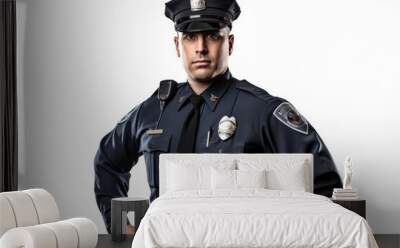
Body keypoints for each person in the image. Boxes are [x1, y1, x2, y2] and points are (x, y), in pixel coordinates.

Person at [94, 0, 342, 234]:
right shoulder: (154, 111)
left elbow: (324, 183)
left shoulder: (260, 110)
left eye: (212, 35)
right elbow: (108, 161)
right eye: (190, 37)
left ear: (230, 43)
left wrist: (295, 243)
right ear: (177, 45)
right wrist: (124, 228)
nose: (200, 48)